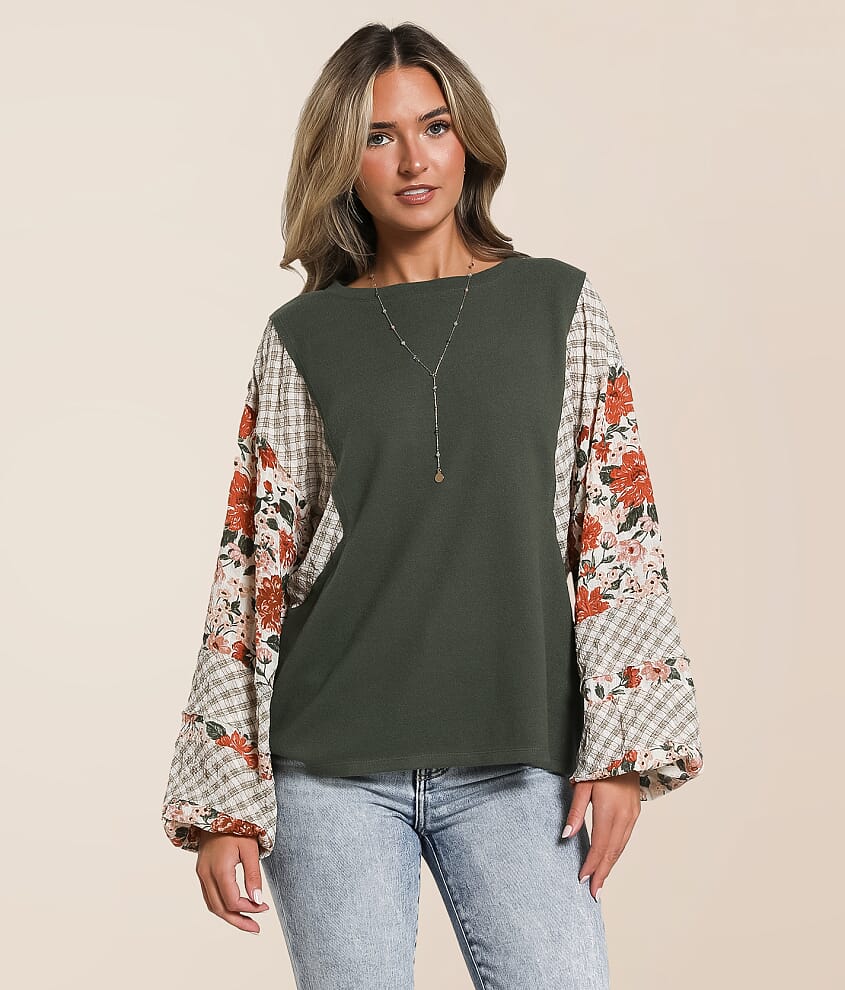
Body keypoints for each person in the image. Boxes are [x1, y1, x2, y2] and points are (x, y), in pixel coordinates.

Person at [161, 21, 704, 988]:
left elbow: (616, 533)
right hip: (329, 767)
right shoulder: (302, 336)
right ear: (343, 159)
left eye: (435, 126)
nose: (413, 159)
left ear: (468, 140)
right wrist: (224, 801)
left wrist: (623, 749)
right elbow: (253, 565)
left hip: (519, 758)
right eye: (379, 136)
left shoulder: (558, 306)